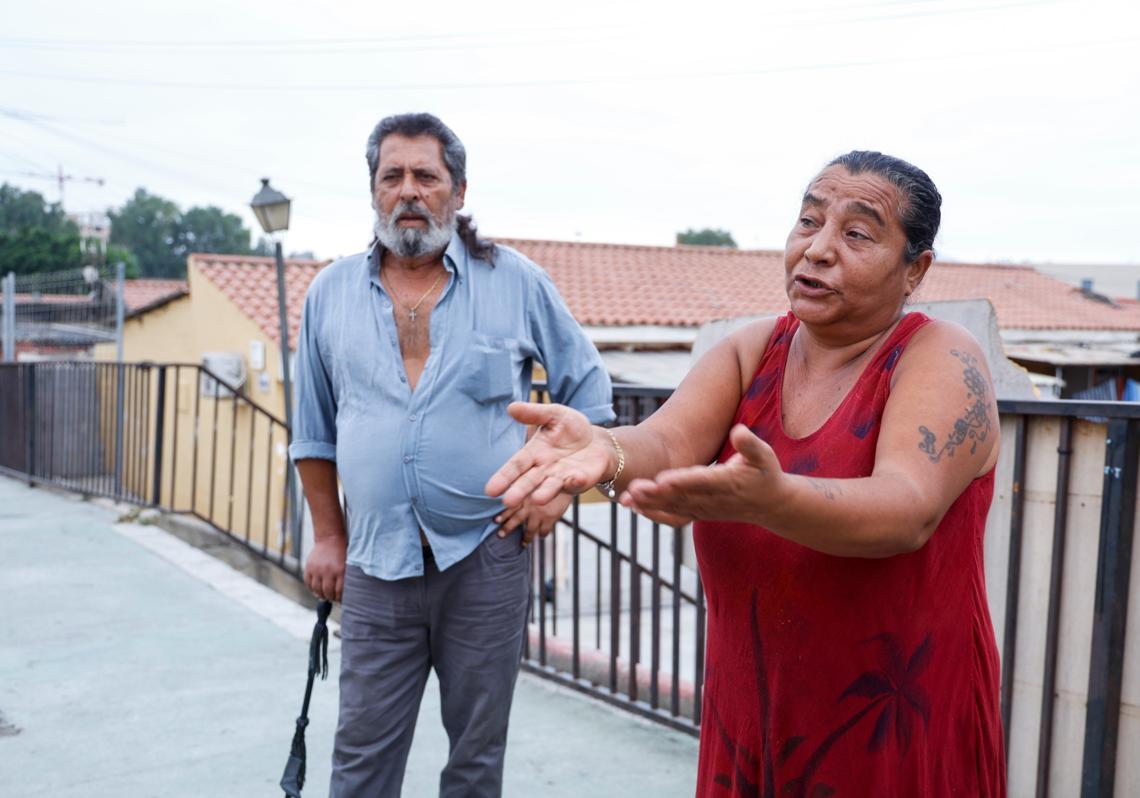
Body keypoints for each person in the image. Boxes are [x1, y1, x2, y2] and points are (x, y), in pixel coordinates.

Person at [487, 151, 1005, 795]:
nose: (817, 249)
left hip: (888, 726)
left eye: (856, 233)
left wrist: (774, 501)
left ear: (915, 269)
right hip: (752, 715)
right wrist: (601, 449)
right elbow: (665, 442)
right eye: (808, 221)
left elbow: (907, 509)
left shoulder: (941, 356)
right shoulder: (752, 349)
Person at [289, 112, 614, 797]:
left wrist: (555, 489)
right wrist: (328, 536)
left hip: (486, 556)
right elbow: (314, 431)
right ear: (374, 191)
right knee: (360, 756)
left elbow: (588, 389)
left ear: (458, 191)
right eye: (392, 177)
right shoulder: (329, 295)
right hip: (376, 562)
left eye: (426, 176)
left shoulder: (515, 282)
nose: (409, 191)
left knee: (475, 757)